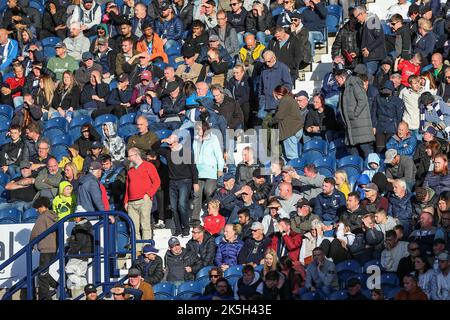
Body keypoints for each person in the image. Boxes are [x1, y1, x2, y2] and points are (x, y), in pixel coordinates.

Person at [125, 147, 161, 249]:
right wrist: (126, 201)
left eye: (130, 156)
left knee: (145, 225)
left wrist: (148, 194)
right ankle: (137, 249)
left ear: (136, 155)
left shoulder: (148, 166)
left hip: (144, 200)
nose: (129, 158)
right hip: (132, 202)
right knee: (133, 227)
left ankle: (147, 248)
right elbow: (127, 187)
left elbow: (157, 181)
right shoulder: (130, 170)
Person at [335, 69, 374, 159]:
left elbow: (362, 100)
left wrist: (354, 115)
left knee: (365, 148)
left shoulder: (354, 83)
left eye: (337, 80)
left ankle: (371, 171)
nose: (337, 83)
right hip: (351, 126)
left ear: (342, 77)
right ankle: (357, 170)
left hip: (359, 124)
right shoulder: (344, 88)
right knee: (352, 149)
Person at [192, 120, 224, 225]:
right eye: (196, 129)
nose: (197, 130)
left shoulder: (213, 138)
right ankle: (195, 218)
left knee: (209, 191)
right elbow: (194, 155)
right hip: (198, 172)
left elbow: (219, 155)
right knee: (197, 194)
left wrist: (220, 169)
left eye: (199, 128)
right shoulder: (196, 139)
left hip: (211, 171)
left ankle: (212, 214)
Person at [29, 197, 58, 300]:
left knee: (42, 275)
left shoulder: (42, 217)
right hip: (54, 248)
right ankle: (58, 286)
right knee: (44, 272)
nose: (37, 210)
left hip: (46, 248)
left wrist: (31, 244)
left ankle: (47, 296)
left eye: (37, 208)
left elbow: (35, 233)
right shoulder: (54, 216)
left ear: (42, 206)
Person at [268, 85, 303, 160]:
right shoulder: (289, 99)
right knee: (286, 156)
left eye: (274, 94)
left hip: (289, 131)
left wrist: (271, 122)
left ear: (277, 94)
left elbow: (279, 116)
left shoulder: (285, 100)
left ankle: (295, 170)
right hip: (295, 129)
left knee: (292, 156)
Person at [258, 50, 292, 120]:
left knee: (274, 123)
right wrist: (260, 98)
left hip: (276, 102)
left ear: (274, 58)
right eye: (265, 61)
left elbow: (288, 85)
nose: (267, 64)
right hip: (264, 102)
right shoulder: (263, 69)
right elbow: (261, 86)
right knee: (261, 118)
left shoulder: (283, 68)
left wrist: (280, 95)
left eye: (269, 61)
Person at [65, 215, 93, 298]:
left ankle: (78, 291)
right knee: (81, 274)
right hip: (85, 253)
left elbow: (80, 242)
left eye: (76, 217)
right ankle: (85, 293)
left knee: (69, 268)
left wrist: (71, 251)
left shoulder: (80, 227)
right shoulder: (87, 225)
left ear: (81, 218)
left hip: (78, 253)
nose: (75, 218)